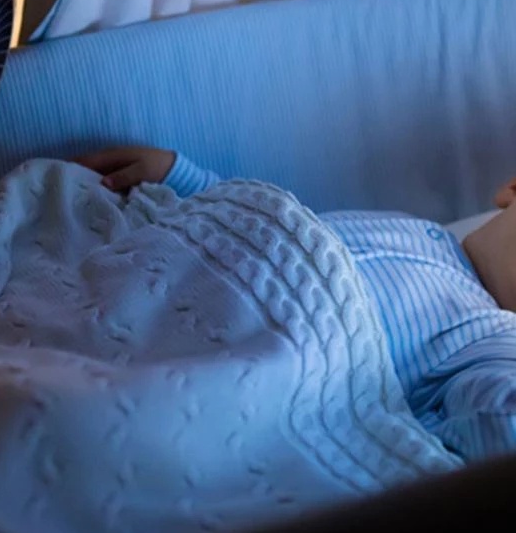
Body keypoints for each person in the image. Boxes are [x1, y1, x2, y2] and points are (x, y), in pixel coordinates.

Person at [73, 145, 516, 465]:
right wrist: (180, 179)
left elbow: (496, 430)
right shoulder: (411, 225)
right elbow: (286, 230)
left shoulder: (490, 344)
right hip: (184, 283)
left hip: (243, 373)